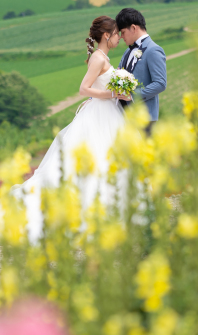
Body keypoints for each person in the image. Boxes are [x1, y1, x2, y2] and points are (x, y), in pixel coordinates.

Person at [7, 16, 125, 242]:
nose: (119, 37)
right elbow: (84, 89)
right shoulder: (99, 59)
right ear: (107, 35)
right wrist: (112, 94)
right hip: (100, 115)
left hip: (107, 112)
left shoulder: (103, 58)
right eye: (117, 33)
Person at [114, 8, 167, 134]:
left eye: (123, 32)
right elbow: (117, 75)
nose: (121, 37)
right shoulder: (127, 51)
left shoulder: (153, 50)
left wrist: (132, 95)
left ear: (133, 28)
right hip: (125, 118)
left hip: (145, 119)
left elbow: (160, 83)